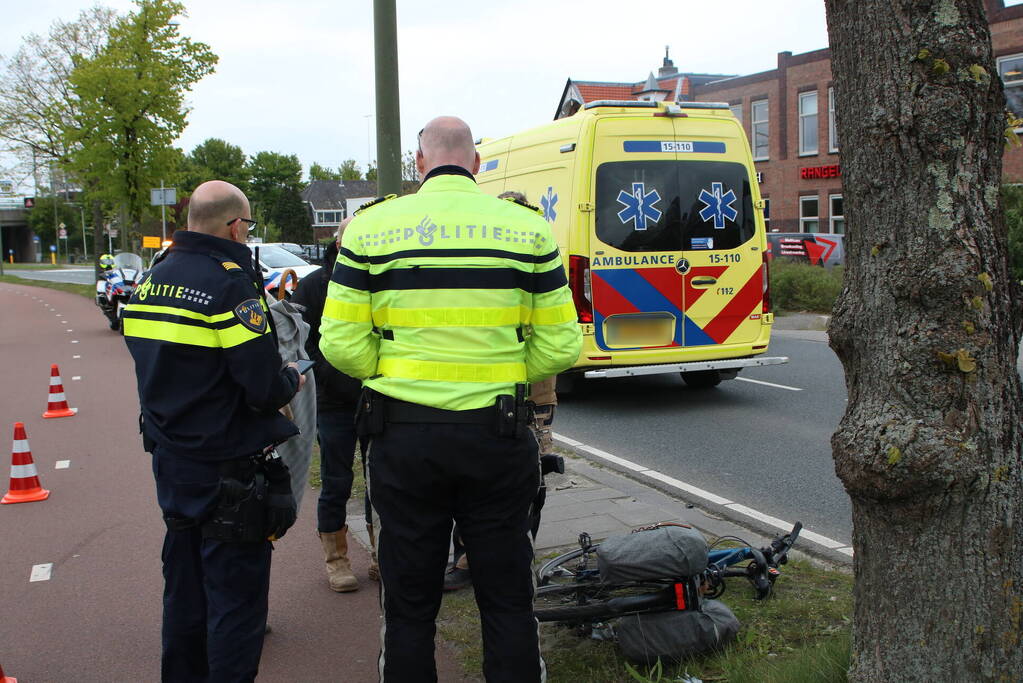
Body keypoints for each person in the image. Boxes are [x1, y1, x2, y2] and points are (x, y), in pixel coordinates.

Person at [320, 116, 582, 682]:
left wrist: (392, 374)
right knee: (507, 598)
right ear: (477, 164)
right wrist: (503, 373)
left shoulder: (369, 230)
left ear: (420, 164)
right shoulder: (527, 231)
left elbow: (338, 342)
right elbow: (562, 345)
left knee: (409, 604)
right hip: (498, 433)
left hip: (403, 437)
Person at [123, 180, 305, 682]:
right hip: (228, 471)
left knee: (184, 593)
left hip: (171, 461)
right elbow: (263, 387)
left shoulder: (153, 279)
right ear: (234, 226)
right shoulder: (230, 285)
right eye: (247, 226)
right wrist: (293, 375)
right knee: (236, 605)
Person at [444, 190, 562, 593]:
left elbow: (555, 332)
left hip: (534, 399)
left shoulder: (540, 262)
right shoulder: (485, 267)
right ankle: (467, 558)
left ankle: (519, 553)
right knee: (472, 482)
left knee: (534, 482)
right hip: (491, 397)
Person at [291, 217, 367, 592]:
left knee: (383, 482)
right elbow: (298, 342)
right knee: (337, 481)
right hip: (334, 403)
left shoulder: (378, 280)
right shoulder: (314, 286)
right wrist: (327, 373)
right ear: (338, 245)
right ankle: (336, 561)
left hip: (376, 399)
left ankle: (385, 554)